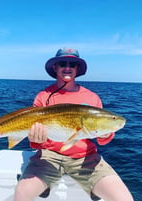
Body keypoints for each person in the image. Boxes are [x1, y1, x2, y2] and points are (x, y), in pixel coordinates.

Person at [14, 48, 134, 201]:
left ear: (77, 69)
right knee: (20, 195)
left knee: (124, 198)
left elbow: (103, 139)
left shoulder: (92, 98)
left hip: (86, 158)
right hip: (48, 157)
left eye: (73, 64)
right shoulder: (43, 96)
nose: (68, 67)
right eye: (62, 63)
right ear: (55, 68)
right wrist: (35, 139)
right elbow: (36, 143)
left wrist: (106, 134)